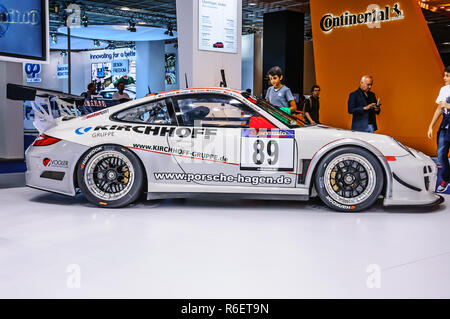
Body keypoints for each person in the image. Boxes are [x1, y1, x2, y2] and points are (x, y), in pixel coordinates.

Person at [427, 65, 450, 192]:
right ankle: (447, 179)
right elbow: (439, 109)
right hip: (445, 124)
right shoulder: (443, 89)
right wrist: (431, 126)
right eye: (444, 75)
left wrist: (448, 105)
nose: (444, 78)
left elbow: (446, 105)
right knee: (441, 154)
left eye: (447, 75)